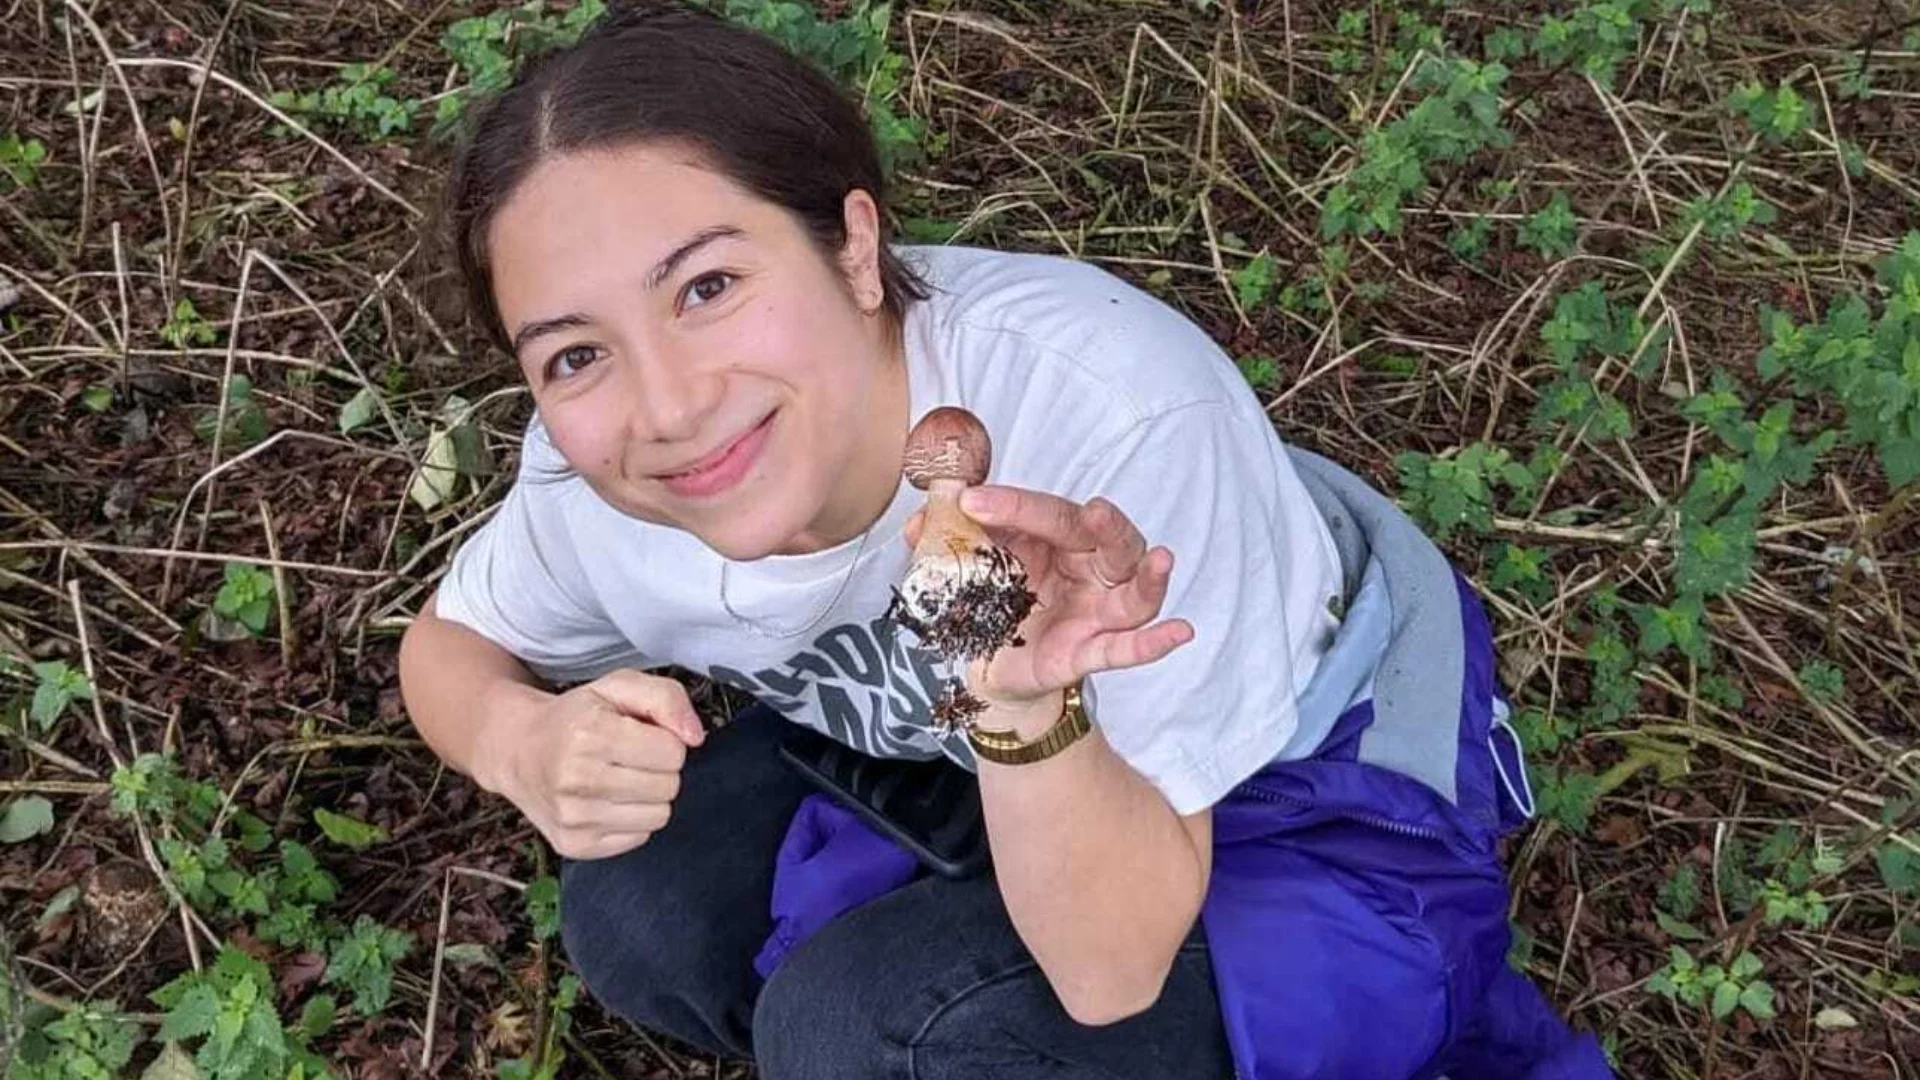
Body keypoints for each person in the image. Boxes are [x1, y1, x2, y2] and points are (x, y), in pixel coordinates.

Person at [397, 4, 1614, 1078]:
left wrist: (1028, 716)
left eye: (708, 287)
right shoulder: (595, 487)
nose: (666, 408)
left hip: (1288, 791)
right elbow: (449, 647)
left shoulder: (1107, 426)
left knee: (863, 1032)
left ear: (854, 248)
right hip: (966, 751)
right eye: (576, 353)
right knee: (639, 913)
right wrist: (518, 737)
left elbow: (1111, 968)